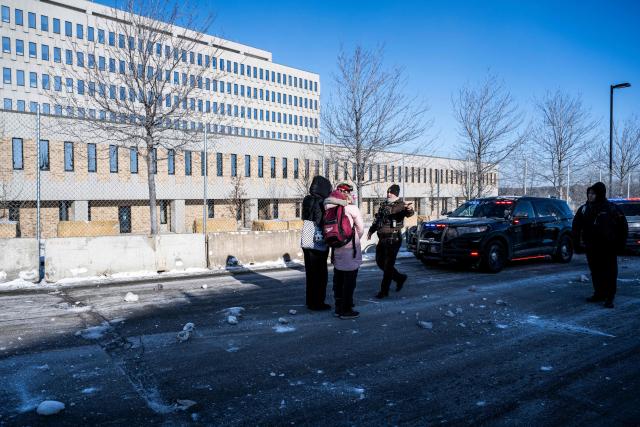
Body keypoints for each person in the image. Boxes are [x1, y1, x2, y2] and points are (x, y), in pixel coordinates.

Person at [572, 182, 628, 308]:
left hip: (608, 247)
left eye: (593, 193)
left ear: (600, 194)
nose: (590, 196)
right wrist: (577, 243)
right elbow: (576, 226)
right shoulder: (584, 209)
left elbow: (623, 226)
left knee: (609, 272)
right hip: (591, 247)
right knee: (595, 271)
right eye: (589, 193)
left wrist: (620, 244)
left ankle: (610, 297)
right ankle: (599, 293)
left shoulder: (611, 208)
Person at [324, 183, 364, 319]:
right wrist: (353, 238)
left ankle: (338, 307)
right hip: (350, 249)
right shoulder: (352, 208)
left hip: (336, 248)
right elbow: (360, 229)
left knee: (338, 279)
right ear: (346, 194)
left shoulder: (328, 207)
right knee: (349, 281)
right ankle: (346, 310)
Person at [368, 184, 415, 299]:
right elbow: (377, 220)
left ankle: (384, 291)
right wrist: (371, 231)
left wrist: (409, 209)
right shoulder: (384, 205)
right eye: (388, 192)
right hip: (382, 238)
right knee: (380, 262)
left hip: (393, 239)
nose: (389, 194)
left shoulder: (401, 205)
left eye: (392, 192)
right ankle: (399, 278)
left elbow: (408, 213)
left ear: (396, 194)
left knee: (388, 265)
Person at [301, 175, 333, 311]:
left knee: (310, 273)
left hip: (306, 238)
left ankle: (310, 301)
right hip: (318, 241)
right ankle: (318, 302)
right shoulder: (323, 202)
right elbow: (322, 220)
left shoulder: (307, 200)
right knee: (321, 274)